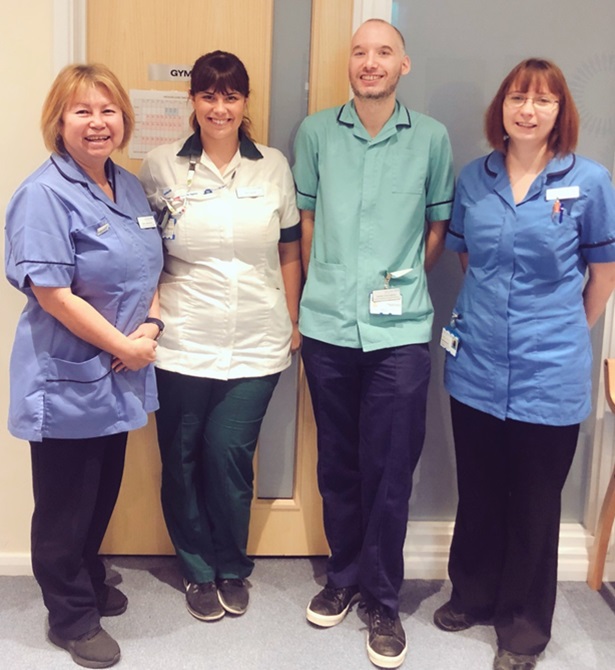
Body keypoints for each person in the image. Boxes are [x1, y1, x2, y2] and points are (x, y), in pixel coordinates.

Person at [434, 58, 615, 670]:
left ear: (560, 112)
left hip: (551, 369)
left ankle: (522, 626)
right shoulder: (474, 178)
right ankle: (474, 594)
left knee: (536, 501)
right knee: (480, 490)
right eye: (517, 97)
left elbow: (603, 276)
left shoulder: (589, 181)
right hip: (476, 364)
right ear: (501, 109)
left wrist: (561, 329)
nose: (528, 110)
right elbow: (469, 263)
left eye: (542, 100)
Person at [292, 19, 454, 669]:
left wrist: (406, 277)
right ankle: (343, 577)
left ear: (403, 64)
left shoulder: (432, 139)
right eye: (358, 52)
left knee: (389, 468)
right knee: (337, 463)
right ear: (348, 65)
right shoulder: (315, 134)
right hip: (328, 323)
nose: (369, 62)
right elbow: (305, 219)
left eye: (382, 52)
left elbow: (437, 224)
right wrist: (317, 291)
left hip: (399, 332)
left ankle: (382, 599)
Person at [4, 64, 164, 668]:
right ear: (59, 121)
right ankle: (69, 615)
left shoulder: (126, 186)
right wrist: (125, 348)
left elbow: (150, 267)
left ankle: (89, 579)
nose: (97, 123)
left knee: (99, 495)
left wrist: (150, 325)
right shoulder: (42, 194)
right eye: (82, 112)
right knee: (65, 505)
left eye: (108, 111)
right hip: (68, 375)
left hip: (119, 375)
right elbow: (54, 294)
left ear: (123, 119)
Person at [138, 50, 301, 623]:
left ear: (245, 102)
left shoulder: (273, 166)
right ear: (193, 101)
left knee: (228, 454)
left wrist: (294, 315)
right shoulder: (160, 166)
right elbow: (145, 254)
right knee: (180, 457)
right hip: (181, 338)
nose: (219, 107)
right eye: (208, 95)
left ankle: (231, 564)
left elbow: (288, 249)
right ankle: (197, 569)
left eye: (230, 95)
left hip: (258, 339)